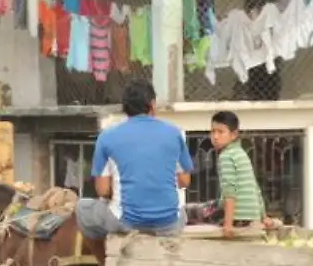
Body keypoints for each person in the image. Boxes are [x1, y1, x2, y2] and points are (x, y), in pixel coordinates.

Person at [77, 78, 193, 244]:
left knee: (81, 209)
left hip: (125, 222)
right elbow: (184, 181)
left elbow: (102, 190)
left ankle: (103, 264)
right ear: (152, 104)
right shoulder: (175, 133)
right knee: (181, 210)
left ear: (125, 108)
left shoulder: (107, 137)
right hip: (170, 222)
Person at [209, 111, 274, 238]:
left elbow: (230, 191)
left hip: (238, 219)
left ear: (233, 135)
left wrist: (228, 224)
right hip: (252, 217)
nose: (215, 137)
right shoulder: (240, 153)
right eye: (212, 131)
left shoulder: (226, 156)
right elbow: (255, 188)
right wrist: (264, 216)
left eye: (220, 132)